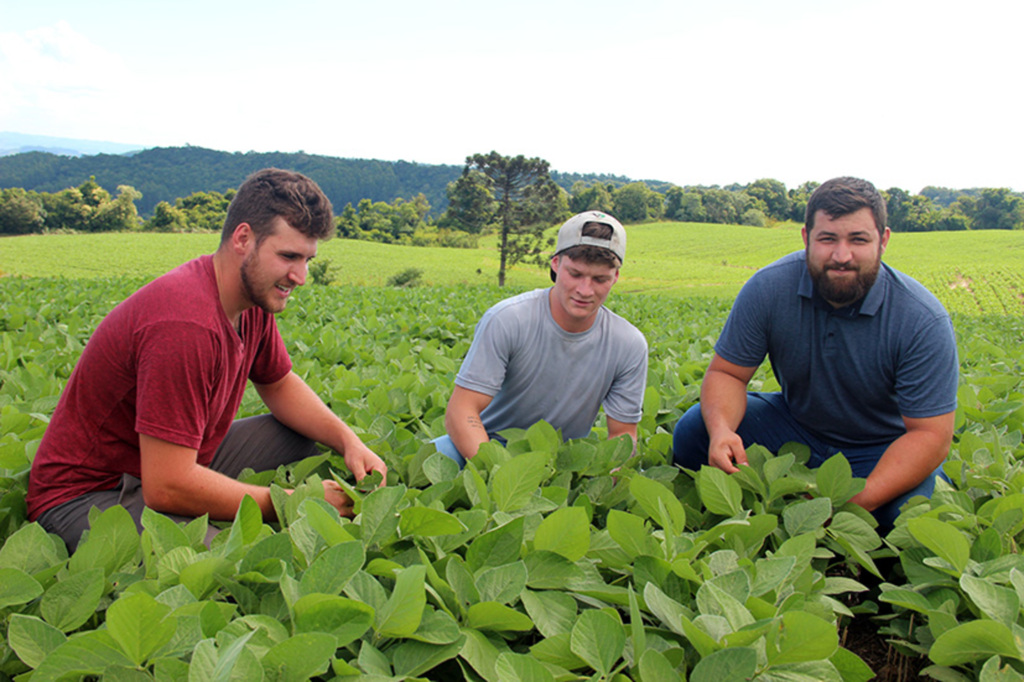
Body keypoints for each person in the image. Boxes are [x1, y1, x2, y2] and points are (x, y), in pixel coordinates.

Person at [27, 168, 387, 551]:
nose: (300, 276)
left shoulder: (250, 298)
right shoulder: (184, 324)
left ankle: (224, 499)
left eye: (308, 259)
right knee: (228, 563)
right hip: (90, 494)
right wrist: (290, 502)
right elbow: (165, 486)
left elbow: (278, 383)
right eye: (288, 256)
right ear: (243, 239)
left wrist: (348, 440)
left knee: (303, 434)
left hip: (180, 461)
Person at [672, 177, 958, 528]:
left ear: (882, 241)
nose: (842, 256)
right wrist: (722, 431)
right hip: (797, 427)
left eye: (858, 239)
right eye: (827, 239)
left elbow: (931, 436)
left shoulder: (921, 319)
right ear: (807, 238)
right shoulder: (769, 288)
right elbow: (728, 374)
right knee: (693, 431)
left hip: (881, 447)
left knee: (909, 517)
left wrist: (856, 499)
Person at [435, 210, 648, 466]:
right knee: (439, 457)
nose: (584, 290)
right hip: (486, 443)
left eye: (599, 279)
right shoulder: (508, 319)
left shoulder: (628, 344)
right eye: (575, 274)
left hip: (562, 460)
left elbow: (623, 435)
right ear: (555, 264)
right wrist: (501, 473)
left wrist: (607, 483)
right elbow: (461, 411)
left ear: (615, 277)